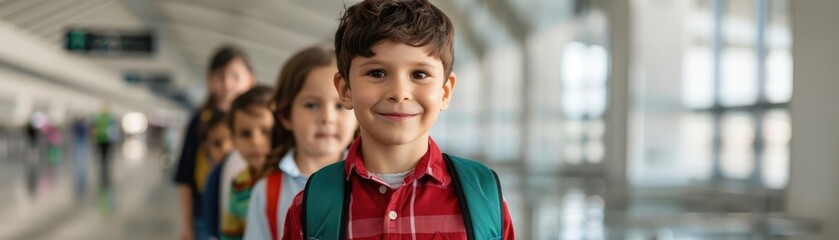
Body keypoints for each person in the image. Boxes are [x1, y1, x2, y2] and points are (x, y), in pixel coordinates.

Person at [282, 1, 516, 239]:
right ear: (345, 90)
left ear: (445, 92)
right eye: (377, 73)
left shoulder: (482, 195)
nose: (399, 92)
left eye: (419, 74)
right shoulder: (310, 205)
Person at [243, 45, 357, 240]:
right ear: (286, 115)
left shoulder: (371, 182)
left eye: (339, 105)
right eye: (311, 105)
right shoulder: (267, 192)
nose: (327, 118)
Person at [175, 45, 256, 240]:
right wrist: (187, 226)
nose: (227, 84)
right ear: (209, 80)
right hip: (206, 214)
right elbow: (186, 177)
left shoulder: (259, 120)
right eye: (220, 77)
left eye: (235, 76)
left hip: (249, 211)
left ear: (251, 79)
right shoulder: (200, 121)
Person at [220, 86, 275, 240]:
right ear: (233, 140)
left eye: (266, 131)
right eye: (245, 134)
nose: (256, 142)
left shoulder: (294, 179)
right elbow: (230, 235)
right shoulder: (238, 186)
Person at [200, 110, 234, 239]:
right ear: (207, 149)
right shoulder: (213, 178)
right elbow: (211, 224)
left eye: (230, 139)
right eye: (217, 144)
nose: (225, 149)